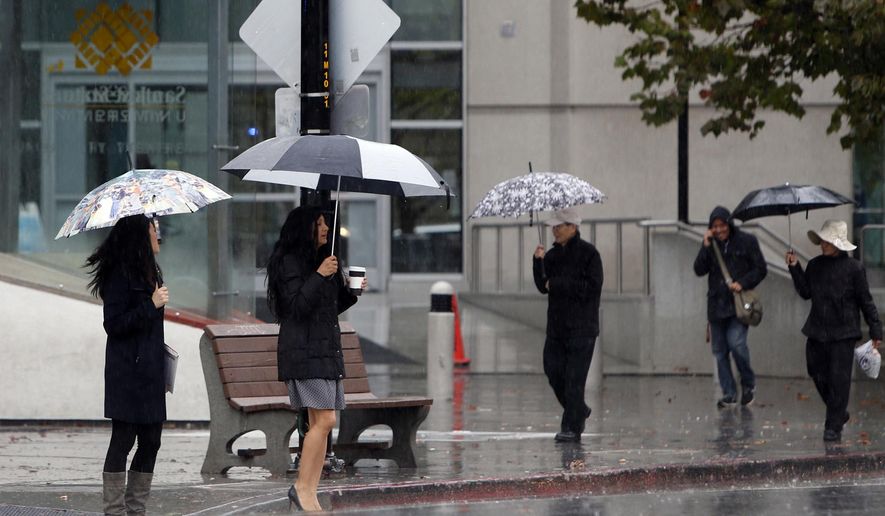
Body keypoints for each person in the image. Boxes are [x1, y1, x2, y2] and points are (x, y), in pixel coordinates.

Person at [266, 206, 366, 512]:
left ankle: (309, 489)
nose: (325, 229)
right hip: (304, 352)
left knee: (320, 423)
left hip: (324, 351)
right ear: (303, 228)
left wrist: (352, 291)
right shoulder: (289, 261)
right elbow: (295, 308)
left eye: (326, 223)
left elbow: (326, 308)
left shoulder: (323, 259)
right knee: (325, 420)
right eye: (319, 224)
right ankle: (302, 488)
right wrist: (319, 275)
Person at [85, 215, 169, 515]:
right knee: (123, 439)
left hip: (151, 371)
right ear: (139, 236)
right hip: (128, 371)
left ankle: (136, 509)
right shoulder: (119, 273)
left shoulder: (151, 271)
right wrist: (151, 304)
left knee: (152, 440)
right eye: (153, 229)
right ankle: (115, 510)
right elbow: (114, 324)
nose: (158, 234)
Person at [786, 220, 882, 441]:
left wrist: (876, 330)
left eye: (827, 241)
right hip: (817, 329)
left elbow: (866, 301)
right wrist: (794, 267)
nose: (823, 244)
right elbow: (805, 291)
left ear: (838, 243)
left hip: (844, 332)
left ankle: (833, 426)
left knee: (839, 380)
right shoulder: (815, 265)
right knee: (816, 372)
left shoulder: (854, 269)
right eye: (822, 240)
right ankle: (839, 413)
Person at [532, 207, 603, 443]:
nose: (554, 230)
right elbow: (543, 286)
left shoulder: (589, 255)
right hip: (557, 328)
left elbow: (590, 288)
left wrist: (558, 284)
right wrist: (537, 262)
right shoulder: (551, 256)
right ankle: (579, 410)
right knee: (553, 370)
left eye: (559, 226)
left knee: (574, 379)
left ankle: (572, 426)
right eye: (553, 226)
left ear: (573, 227)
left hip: (582, 329)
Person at [694, 206, 767, 408]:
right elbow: (699, 269)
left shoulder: (747, 241)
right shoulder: (711, 245)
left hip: (738, 306)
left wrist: (742, 283)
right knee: (719, 351)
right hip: (716, 306)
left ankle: (748, 384)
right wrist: (705, 245)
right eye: (715, 226)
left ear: (729, 223)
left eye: (722, 225)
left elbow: (761, 269)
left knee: (736, 344)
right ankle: (729, 392)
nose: (719, 230)